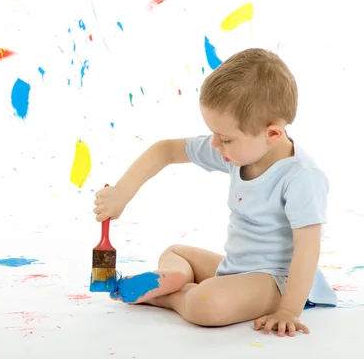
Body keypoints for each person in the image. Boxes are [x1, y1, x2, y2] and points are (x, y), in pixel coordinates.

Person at [93, 48, 337, 337]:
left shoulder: (301, 177)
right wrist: (122, 192)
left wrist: (288, 310)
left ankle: (170, 296)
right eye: (214, 136)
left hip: (278, 281)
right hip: (235, 268)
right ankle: (179, 276)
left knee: (206, 306)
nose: (214, 146)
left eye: (225, 139)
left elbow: (308, 250)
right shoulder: (239, 151)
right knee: (174, 251)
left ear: (272, 133)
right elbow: (166, 150)